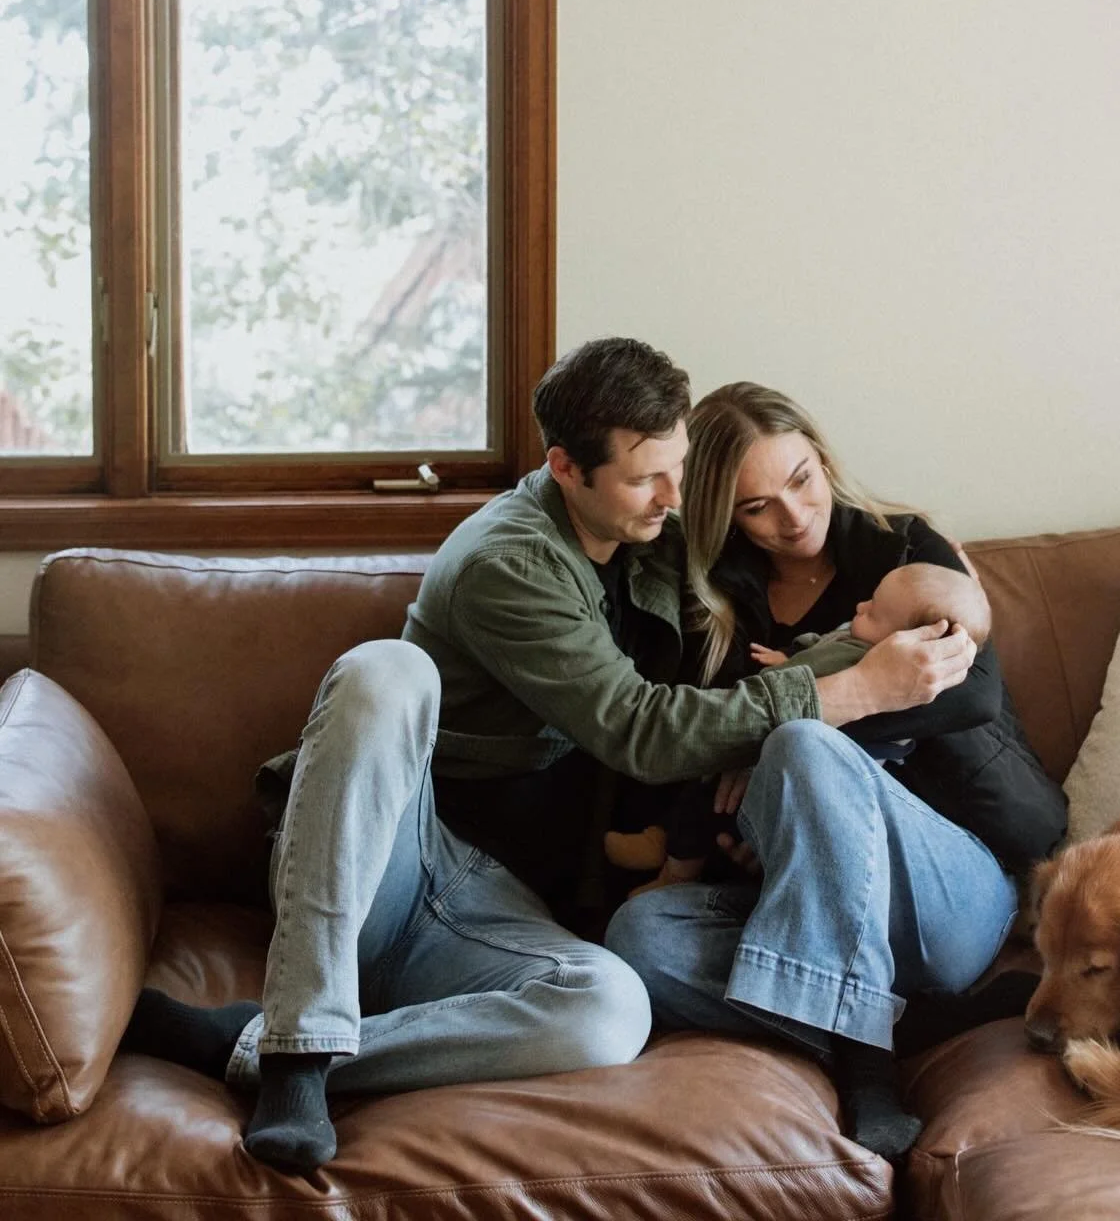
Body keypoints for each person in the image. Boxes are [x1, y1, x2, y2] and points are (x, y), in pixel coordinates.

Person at [124, 341, 975, 1173]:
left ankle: (241, 1045)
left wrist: (904, 628)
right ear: (567, 468)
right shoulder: (508, 563)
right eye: (647, 478)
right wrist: (856, 688)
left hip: (492, 913)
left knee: (611, 1009)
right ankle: (297, 1049)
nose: (676, 497)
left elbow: (765, 658)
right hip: (391, 868)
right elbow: (638, 728)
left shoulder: (654, 537)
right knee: (388, 669)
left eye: (678, 467)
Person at [605, 382, 1066, 1162]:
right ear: (725, 517)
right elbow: (694, 763)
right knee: (637, 938)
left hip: (945, 890)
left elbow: (971, 696)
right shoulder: (713, 603)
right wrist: (782, 816)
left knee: (805, 744)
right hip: (796, 895)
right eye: (757, 507)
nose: (793, 516)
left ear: (822, 458)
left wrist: (805, 732)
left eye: (801, 480)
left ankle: (865, 1063)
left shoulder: (905, 551)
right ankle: (896, 1018)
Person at [604, 560, 995, 889]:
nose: (860, 606)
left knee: (711, 799)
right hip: (780, 780)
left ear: (912, 642)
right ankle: (665, 838)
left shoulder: (862, 659)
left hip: (813, 793)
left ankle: (675, 869)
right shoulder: (863, 637)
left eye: (873, 611)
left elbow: (807, 683)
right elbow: (822, 642)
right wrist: (788, 653)